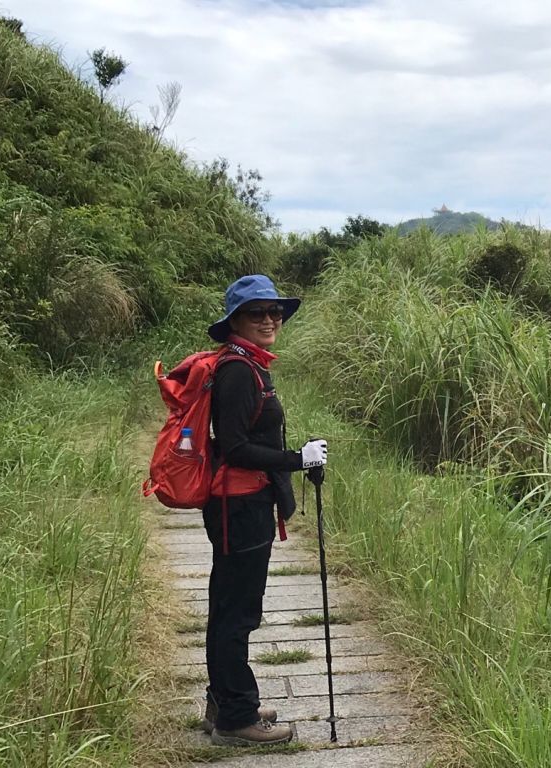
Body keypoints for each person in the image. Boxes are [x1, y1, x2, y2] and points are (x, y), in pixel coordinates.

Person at [199, 274, 327, 747]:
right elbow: (234, 447)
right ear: (235, 320)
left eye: (275, 311)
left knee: (228, 607)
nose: (270, 319)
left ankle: (227, 701)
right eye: (257, 312)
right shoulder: (237, 371)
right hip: (240, 506)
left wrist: (298, 457)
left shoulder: (247, 365)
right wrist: (298, 460)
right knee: (237, 613)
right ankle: (236, 720)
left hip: (242, 504)